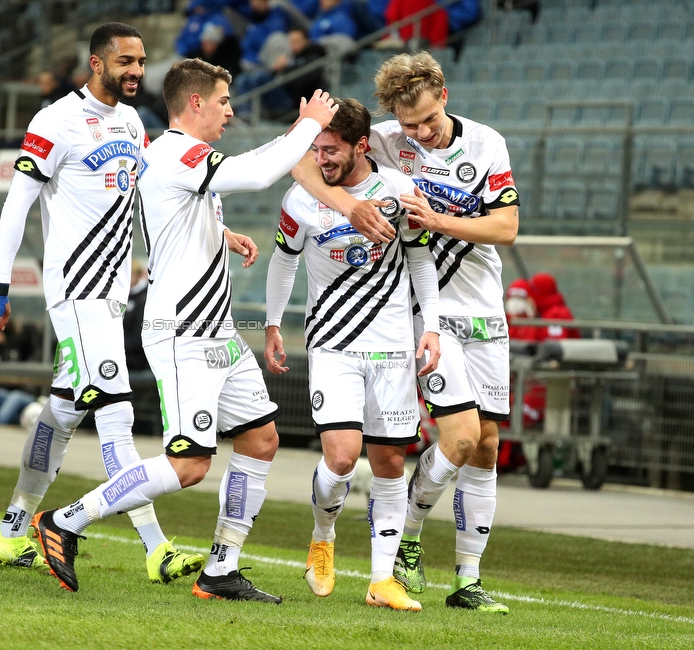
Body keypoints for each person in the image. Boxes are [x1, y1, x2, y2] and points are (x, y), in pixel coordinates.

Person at [25, 58, 337, 600]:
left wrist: (224, 234)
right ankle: (67, 519)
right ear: (195, 103)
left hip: (217, 330)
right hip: (184, 333)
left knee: (261, 439)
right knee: (190, 464)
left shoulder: (178, 160)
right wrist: (308, 125)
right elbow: (257, 173)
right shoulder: (174, 152)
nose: (230, 112)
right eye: (223, 101)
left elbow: (187, 212)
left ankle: (220, 568)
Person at [0, 23, 205, 583]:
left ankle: (10, 532)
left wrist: (219, 236)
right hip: (75, 290)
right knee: (118, 411)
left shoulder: (131, 122)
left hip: (110, 295)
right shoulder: (55, 121)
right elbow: (17, 206)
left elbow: (146, 200)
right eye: (126, 61)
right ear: (97, 63)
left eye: (142, 61)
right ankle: (156, 548)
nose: (137, 71)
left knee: (62, 411)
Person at [292, 51, 518, 613]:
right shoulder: (388, 139)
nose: (417, 133)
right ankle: (409, 540)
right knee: (461, 439)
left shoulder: (487, 143)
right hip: (425, 315)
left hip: (485, 308)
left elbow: (507, 227)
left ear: (443, 94)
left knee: (486, 446)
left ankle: (468, 580)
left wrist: (438, 220)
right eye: (407, 123)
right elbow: (300, 161)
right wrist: (348, 205)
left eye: (425, 121)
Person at [265, 97, 441, 611]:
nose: (321, 159)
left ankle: (381, 581)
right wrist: (274, 322)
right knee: (341, 458)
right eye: (316, 148)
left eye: (332, 149)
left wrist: (430, 327)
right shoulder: (302, 198)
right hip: (333, 343)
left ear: (361, 146)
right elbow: (283, 261)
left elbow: (421, 260)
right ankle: (323, 537)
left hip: (391, 346)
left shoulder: (398, 191)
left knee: (388, 463)